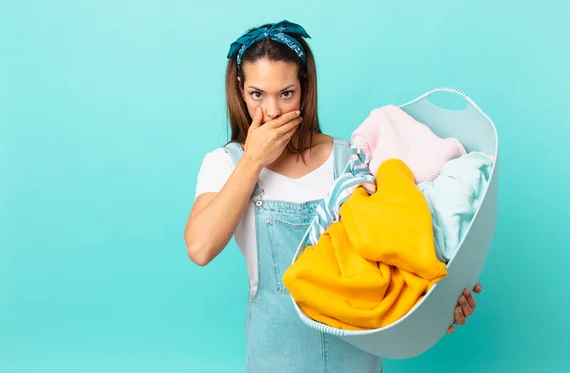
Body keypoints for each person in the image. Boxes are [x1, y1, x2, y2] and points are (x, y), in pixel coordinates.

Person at [184, 20, 483, 373]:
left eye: (286, 93)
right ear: (239, 89)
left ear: (305, 87)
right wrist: (253, 159)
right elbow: (200, 249)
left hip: (358, 362)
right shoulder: (225, 164)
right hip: (276, 361)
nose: (273, 111)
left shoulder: (356, 159)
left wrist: (439, 304)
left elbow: (402, 255)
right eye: (257, 95)